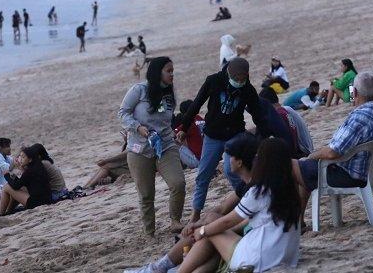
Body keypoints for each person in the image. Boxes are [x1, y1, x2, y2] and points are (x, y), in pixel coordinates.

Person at [124, 134, 261, 273]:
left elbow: (236, 222)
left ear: (240, 162)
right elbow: (223, 207)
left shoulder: (257, 189)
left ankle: (162, 267)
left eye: (230, 156)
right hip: (241, 242)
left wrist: (205, 229)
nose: (227, 160)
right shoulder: (247, 184)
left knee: (209, 228)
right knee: (209, 224)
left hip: (247, 243)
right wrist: (198, 223)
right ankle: (167, 267)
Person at [178, 137, 301, 273]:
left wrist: (202, 231)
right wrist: (201, 226)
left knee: (210, 232)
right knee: (212, 234)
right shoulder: (292, 190)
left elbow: (228, 221)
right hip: (284, 258)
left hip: (256, 260)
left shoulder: (260, 191)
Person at [177, 57, 270, 223]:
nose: (239, 82)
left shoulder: (248, 90)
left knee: (230, 169)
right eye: (236, 79)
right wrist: (183, 128)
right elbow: (196, 104)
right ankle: (196, 212)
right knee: (203, 174)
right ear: (229, 74)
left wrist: (263, 137)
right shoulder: (214, 81)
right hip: (212, 135)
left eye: (243, 79)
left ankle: (244, 203)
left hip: (234, 135)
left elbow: (258, 115)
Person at [292, 72, 373, 215]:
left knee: (293, 165)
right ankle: (298, 220)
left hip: (348, 175)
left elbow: (332, 152)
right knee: (305, 168)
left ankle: (294, 220)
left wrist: (312, 156)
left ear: (356, 92)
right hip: (368, 173)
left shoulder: (359, 117)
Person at [119, 57, 185, 235]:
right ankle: (150, 232)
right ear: (157, 73)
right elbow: (123, 113)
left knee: (178, 183)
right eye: (168, 71)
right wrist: (137, 127)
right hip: (139, 149)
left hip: (165, 146)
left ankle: (175, 221)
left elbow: (167, 119)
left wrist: (174, 132)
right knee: (146, 194)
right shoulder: (139, 90)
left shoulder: (170, 94)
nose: (172, 74)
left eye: (173, 71)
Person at [0, 145, 52, 216]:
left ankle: (1, 213)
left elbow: (16, 186)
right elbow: (22, 183)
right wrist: (14, 176)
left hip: (36, 203)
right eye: (20, 156)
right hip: (46, 199)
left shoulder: (30, 171)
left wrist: (6, 175)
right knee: (17, 188)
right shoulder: (38, 166)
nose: (21, 159)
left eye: (23, 157)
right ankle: (9, 210)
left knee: (6, 187)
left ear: (30, 159)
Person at [172, 100, 204, 170]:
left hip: (197, 161)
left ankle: (177, 166)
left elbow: (172, 135)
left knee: (171, 143)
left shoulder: (188, 124)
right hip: (208, 158)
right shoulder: (200, 119)